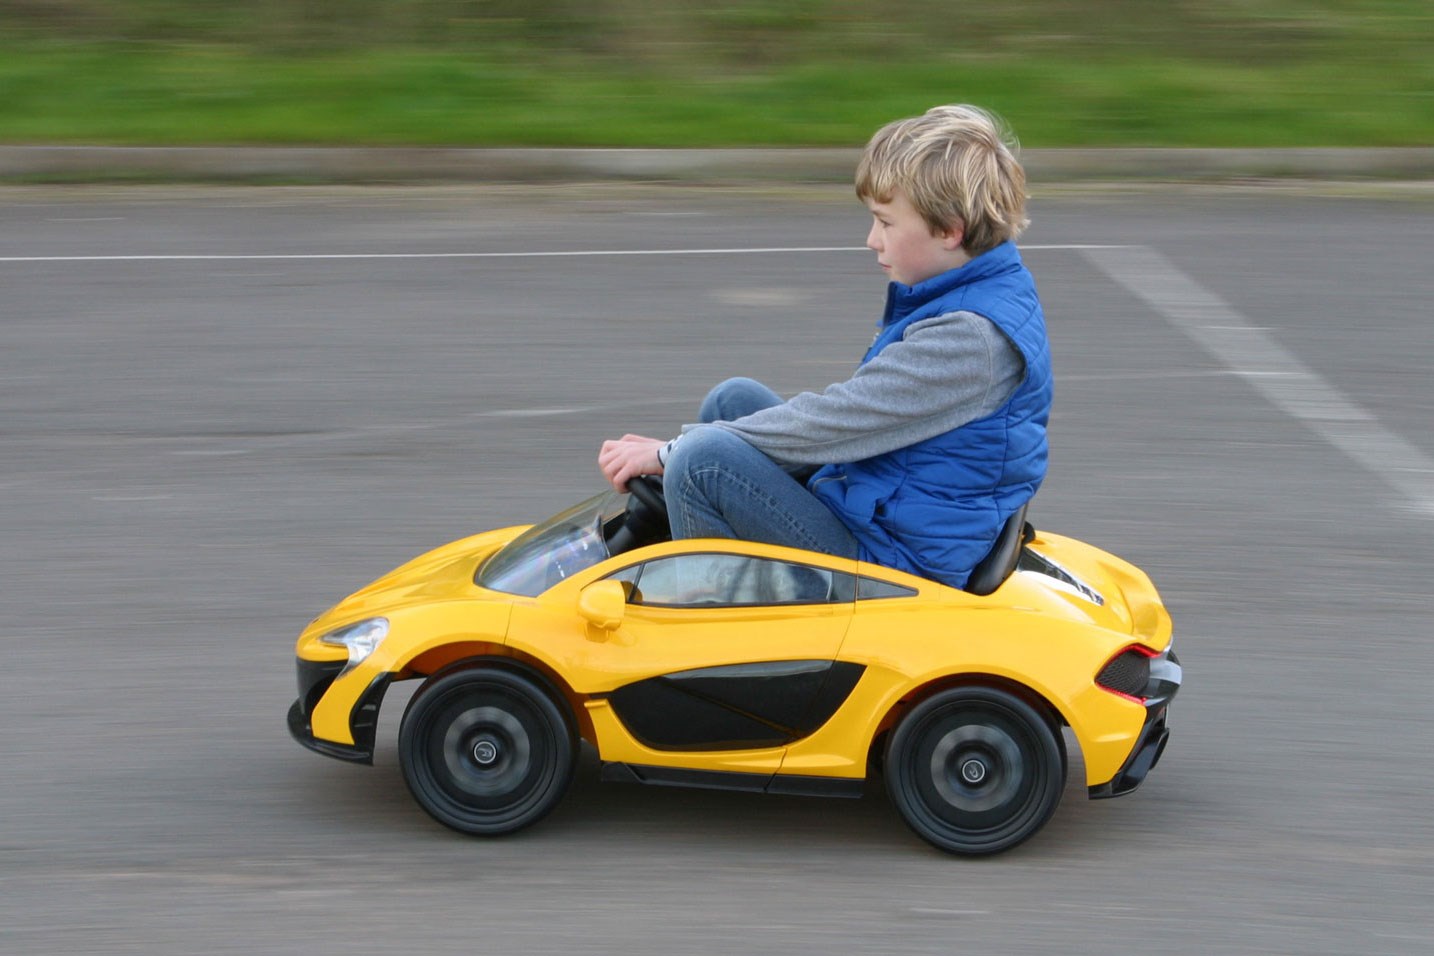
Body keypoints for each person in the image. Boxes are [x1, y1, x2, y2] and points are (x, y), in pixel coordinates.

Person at [597, 104, 1051, 591]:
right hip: (881, 511)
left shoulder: (970, 340)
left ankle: (713, 627)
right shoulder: (971, 292)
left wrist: (670, 453)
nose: (872, 240)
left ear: (949, 230)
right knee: (733, 400)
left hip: (892, 568)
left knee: (702, 460)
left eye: (886, 223)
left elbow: (837, 420)